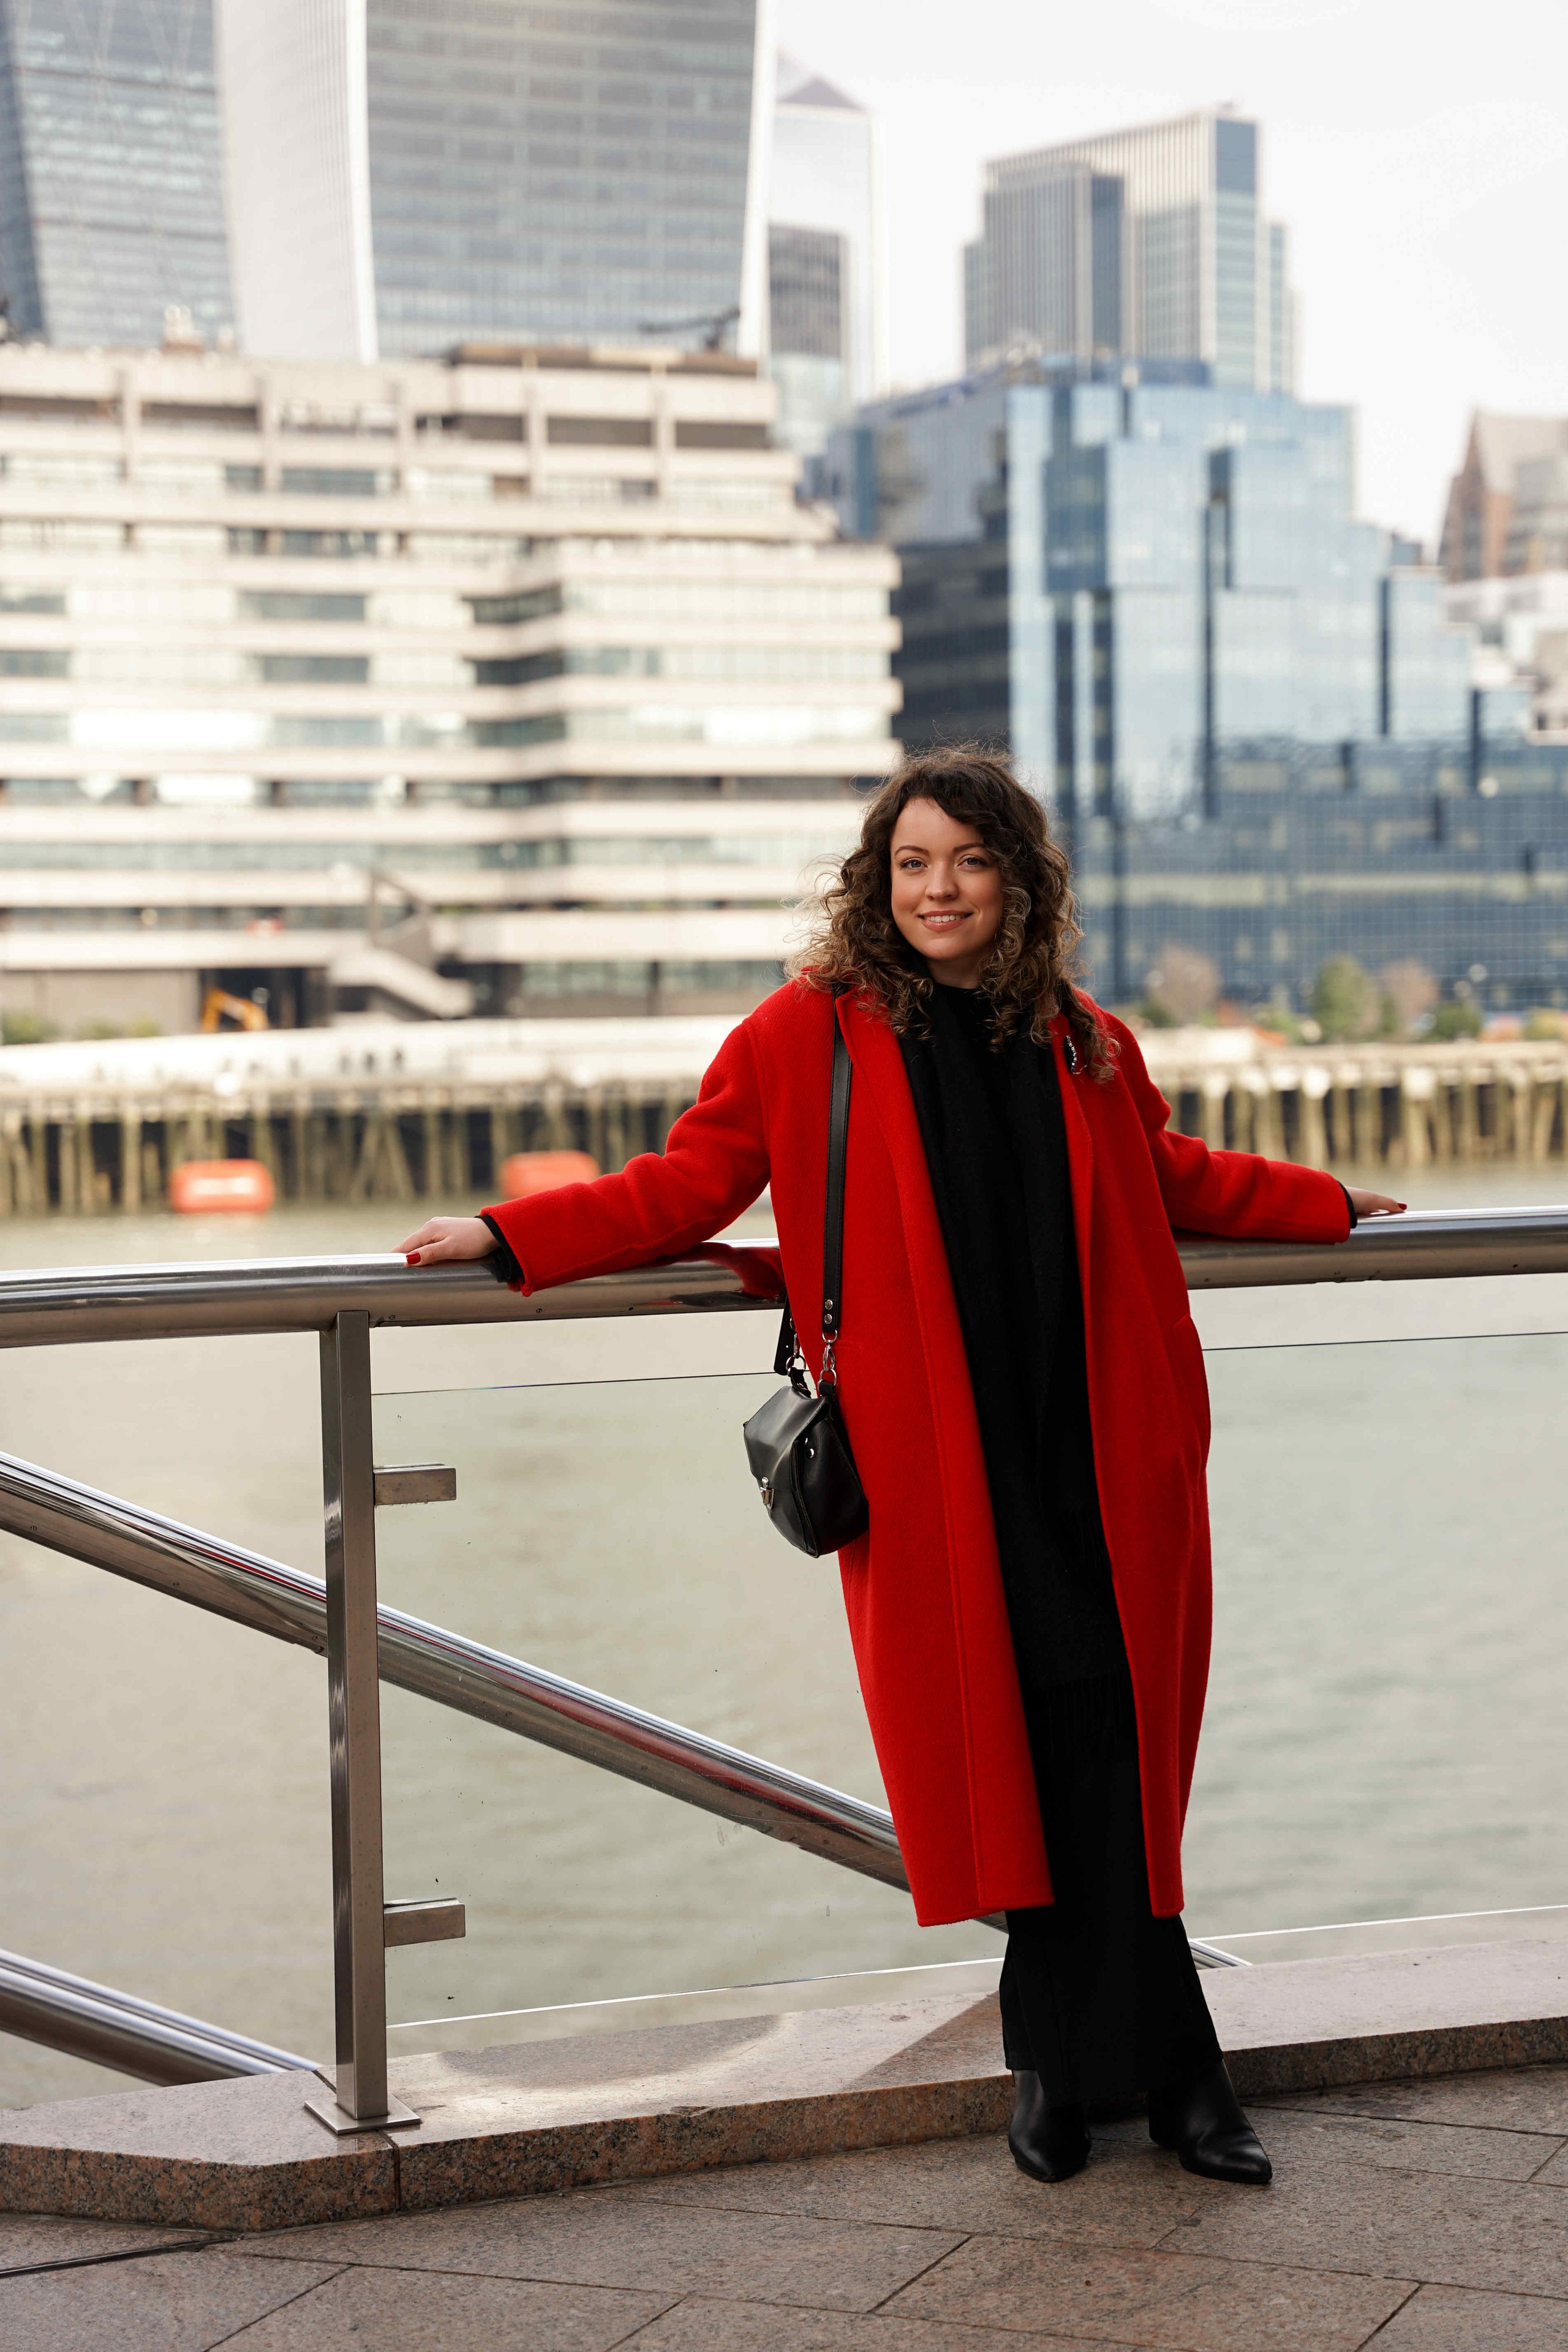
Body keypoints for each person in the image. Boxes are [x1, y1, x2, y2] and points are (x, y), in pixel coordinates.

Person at [399, 748, 1403, 2189]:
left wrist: (1322, 1205)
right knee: (1021, 1768)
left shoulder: (1084, 1039)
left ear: (1018, 881)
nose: (938, 889)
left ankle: (1069, 2082)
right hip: (938, 1477)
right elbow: (687, 1184)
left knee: (1109, 1765)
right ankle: (1160, 2087)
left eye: (969, 861)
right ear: (877, 882)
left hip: (1103, 1461)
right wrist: (512, 1236)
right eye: (911, 863)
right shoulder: (803, 1037)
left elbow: (1174, 1177)